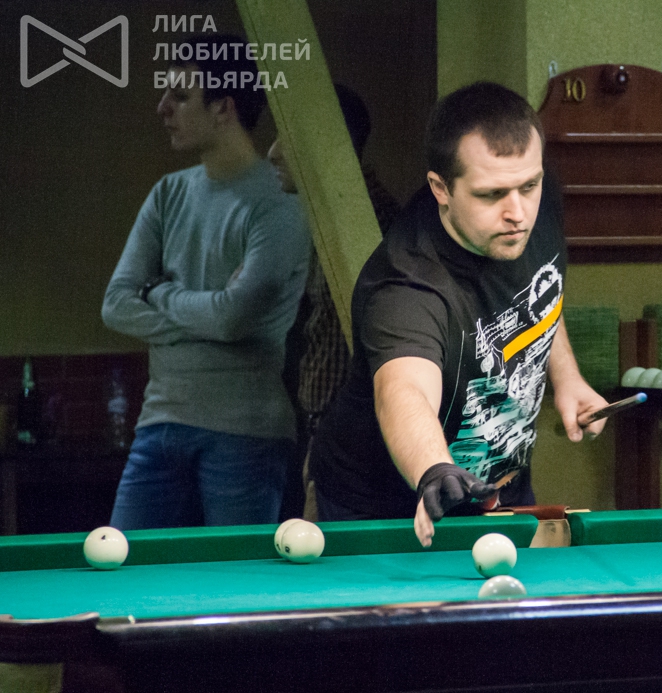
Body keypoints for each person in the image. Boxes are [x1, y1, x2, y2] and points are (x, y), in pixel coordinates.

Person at [308, 82, 609, 546]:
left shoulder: (537, 197)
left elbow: (540, 290)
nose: (517, 212)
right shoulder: (407, 284)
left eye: (528, 186)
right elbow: (403, 391)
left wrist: (566, 377)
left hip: (497, 487)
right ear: (441, 188)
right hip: (382, 505)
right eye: (491, 194)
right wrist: (433, 467)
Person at [101, 34, 312, 529]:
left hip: (246, 431)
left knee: (239, 573)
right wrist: (212, 316)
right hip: (158, 422)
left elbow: (233, 318)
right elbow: (115, 304)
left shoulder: (280, 200)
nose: (162, 108)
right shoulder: (168, 193)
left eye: (179, 95)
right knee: (123, 565)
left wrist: (158, 292)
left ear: (223, 107)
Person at [267, 84, 400, 521]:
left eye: (285, 136)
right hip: (332, 432)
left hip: (354, 441)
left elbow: (373, 344)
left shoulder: (368, 221)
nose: (272, 153)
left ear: (324, 142)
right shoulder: (334, 218)